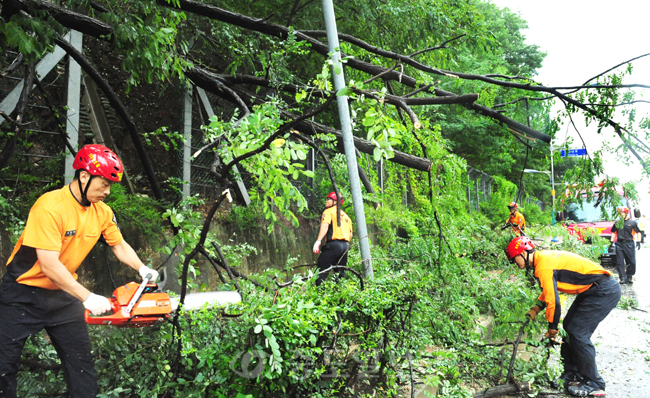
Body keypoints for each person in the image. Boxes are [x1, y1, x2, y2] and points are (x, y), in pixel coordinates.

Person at [0, 144, 159, 398]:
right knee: (3, 369)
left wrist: (142, 268)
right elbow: (49, 265)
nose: (107, 191)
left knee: (82, 368)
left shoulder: (103, 212)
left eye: (110, 186)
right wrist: (87, 297)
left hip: (62, 298)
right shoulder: (50, 207)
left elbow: (118, 245)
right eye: (104, 184)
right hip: (22, 294)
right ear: (84, 176)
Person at [505, 236, 620, 397]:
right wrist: (537, 307)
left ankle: (595, 383)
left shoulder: (543, 265)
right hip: (592, 289)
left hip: (603, 290)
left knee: (578, 333)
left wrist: (552, 329)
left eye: (514, 258)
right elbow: (548, 292)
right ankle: (572, 373)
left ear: (523, 253)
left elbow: (554, 303)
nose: (514, 263)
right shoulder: (542, 260)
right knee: (569, 327)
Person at [312, 192, 353, 286]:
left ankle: (319, 294)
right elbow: (350, 234)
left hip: (334, 245)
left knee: (321, 270)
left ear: (335, 202)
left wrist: (318, 241)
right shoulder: (346, 217)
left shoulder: (328, 212)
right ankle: (339, 294)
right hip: (345, 246)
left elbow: (325, 225)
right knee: (339, 273)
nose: (326, 201)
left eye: (328, 199)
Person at [610, 206, 641, 284]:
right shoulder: (617, 223)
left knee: (632, 262)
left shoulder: (632, 223)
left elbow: (638, 232)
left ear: (626, 213)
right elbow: (614, 232)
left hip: (629, 244)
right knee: (620, 262)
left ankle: (629, 276)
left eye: (622, 213)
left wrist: (638, 242)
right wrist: (611, 242)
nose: (620, 215)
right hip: (619, 244)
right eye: (619, 214)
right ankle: (623, 277)